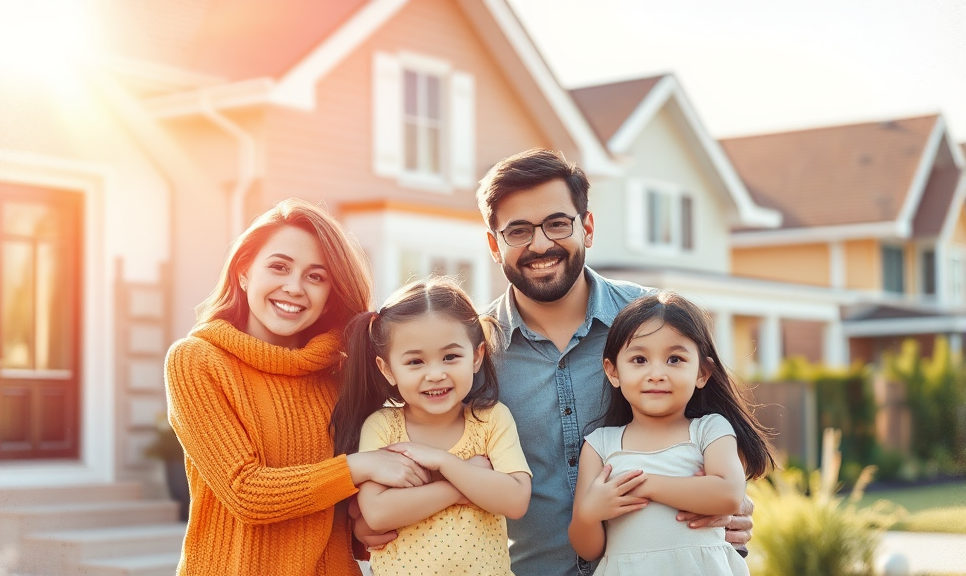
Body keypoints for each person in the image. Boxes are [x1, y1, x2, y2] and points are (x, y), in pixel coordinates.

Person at [354, 149, 755, 576]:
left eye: (557, 224)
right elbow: (415, 436)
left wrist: (735, 504)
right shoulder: (470, 351)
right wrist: (361, 519)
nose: (541, 244)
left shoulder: (654, 325)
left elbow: (713, 432)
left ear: (587, 227)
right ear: (494, 244)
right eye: (519, 231)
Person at [164, 198, 431, 576]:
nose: (294, 287)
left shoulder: (344, 374)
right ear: (243, 272)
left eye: (315, 276)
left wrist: (364, 526)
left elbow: (346, 510)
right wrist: (358, 466)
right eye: (279, 267)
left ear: (329, 294)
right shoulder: (197, 361)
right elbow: (246, 493)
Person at [332, 276, 532, 576]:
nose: (436, 374)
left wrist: (442, 461)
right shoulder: (384, 427)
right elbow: (376, 513)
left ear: (477, 357)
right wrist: (458, 486)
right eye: (415, 362)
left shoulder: (490, 420)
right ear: (387, 369)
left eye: (450, 357)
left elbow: (516, 500)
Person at [568, 292, 775, 575]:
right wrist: (589, 514)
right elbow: (588, 549)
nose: (656, 373)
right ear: (613, 371)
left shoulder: (711, 430)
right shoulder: (600, 445)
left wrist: (645, 485)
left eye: (675, 359)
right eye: (639, 360)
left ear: (702, 372)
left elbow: (727, 494)